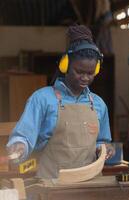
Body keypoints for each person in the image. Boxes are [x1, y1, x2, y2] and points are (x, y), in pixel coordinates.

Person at [6, 25, 114, 179]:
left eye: (90, 73)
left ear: (96, 70)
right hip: (51, 185)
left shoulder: (98, 104)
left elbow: (102, 141)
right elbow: (23, 136)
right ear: (65, 65)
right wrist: (19, 147)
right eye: (79, 71)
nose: (85, 78)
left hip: (90, 185)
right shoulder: (42, 99)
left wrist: (105, 148)